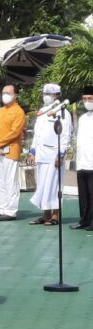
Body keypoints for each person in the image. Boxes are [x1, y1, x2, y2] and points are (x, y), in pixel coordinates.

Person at [27, 83, 73, 225]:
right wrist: (32, 151)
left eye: (50, 94)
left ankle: (55, 216)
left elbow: (65, 136)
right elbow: (37, 134)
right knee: (42, 184)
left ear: (57, 96)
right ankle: (45, 215)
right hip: (41, 153)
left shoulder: (63, 113)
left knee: (54, 185)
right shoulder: (42, 111)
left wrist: (61, 154)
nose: (46, 97)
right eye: (45, 94)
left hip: (54, 154)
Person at [0, 84, 26, 221]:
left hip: (10, 150)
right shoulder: (0, 111)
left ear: (15, 95)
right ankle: (2, 208)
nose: (4, 95)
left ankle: (11, 211)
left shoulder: (19, 112)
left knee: (10, 181)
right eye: (3, 92)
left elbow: (15, 132)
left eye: (8, 92)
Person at [72, 86, 93, 230]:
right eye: (85, 99)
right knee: (84, 194)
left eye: (90, 99)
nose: (87, 101)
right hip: (82, 161)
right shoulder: (82, 118)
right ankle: (84, 220)